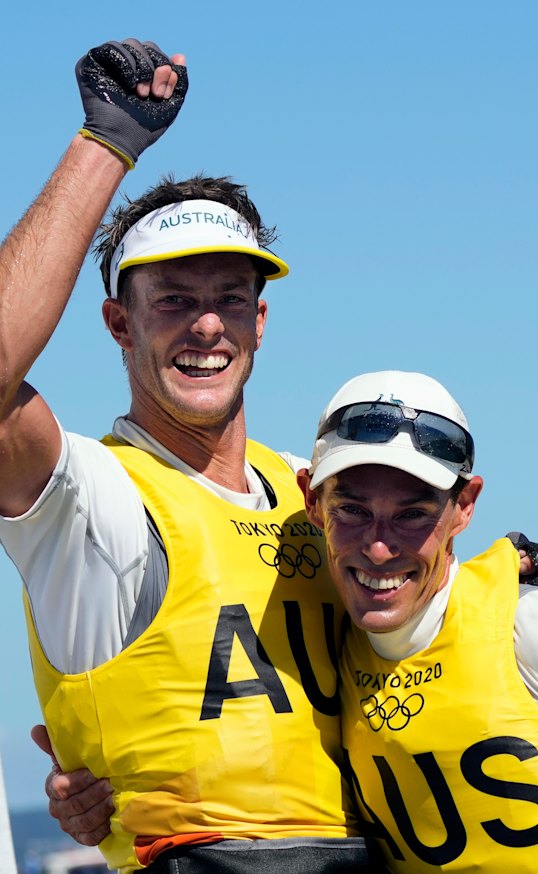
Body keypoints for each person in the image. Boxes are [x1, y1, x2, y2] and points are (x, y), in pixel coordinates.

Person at [0, 39, 375, 873]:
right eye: (172, 300)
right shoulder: (92, 501)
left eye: (228, 300)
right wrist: (106, 146)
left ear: (260, 323)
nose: (206, 325)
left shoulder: (311, 486)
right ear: (119, 325)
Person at [297, 369, 538, 871]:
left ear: (464, 507)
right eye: (352, 510)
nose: (379, 546)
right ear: (312, 503)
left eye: (412, 515)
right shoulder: (322, 655)